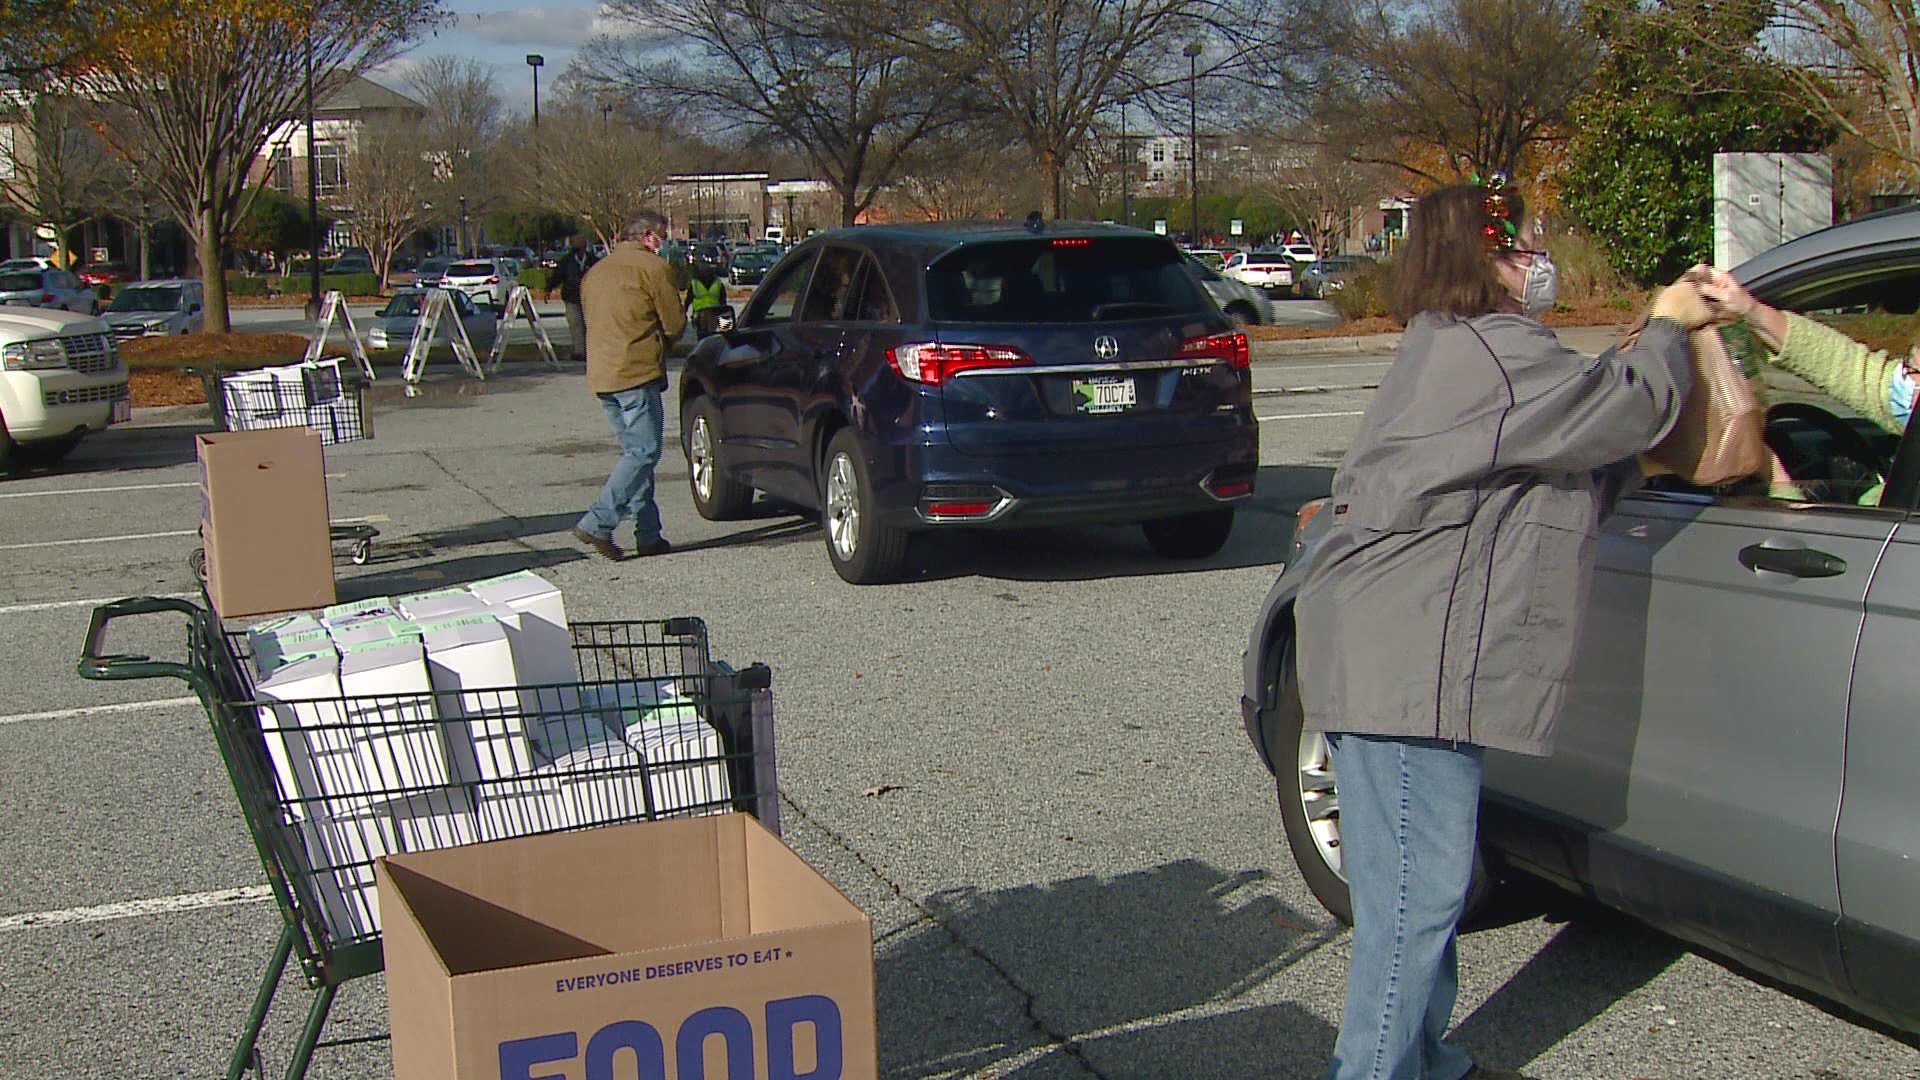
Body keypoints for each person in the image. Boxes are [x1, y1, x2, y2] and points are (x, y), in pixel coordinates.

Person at [1291, 179, 1716, 1080]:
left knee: (1412, 892)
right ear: (1480, 259)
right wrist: (1673, 323)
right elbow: (1627, 410)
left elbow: (1567, 446)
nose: (1539, 261)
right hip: (1410, 659)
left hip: (1392, 647)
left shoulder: (1456, 345)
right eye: (1524, 246)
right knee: (1418, 898)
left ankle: (1424, 1058)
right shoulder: (1491, 353)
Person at [572, 212, 687, 561]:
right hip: (635, 372)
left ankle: (649, 533)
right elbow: (674, 324)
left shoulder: (595, 272)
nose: (664, 243)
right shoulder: (653, 269)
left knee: (635, 457)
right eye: (662, 236)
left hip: (602, 374)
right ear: (648, 236)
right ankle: (598, 521)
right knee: (644, 452)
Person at [547, 233, 598, 363]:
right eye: (575, 242)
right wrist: (548, 288)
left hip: (590, 297)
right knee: (576, 323)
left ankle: (592, 351)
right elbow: (557, 276)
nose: (577, 245)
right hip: (571, 297)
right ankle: (580, 351)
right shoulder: (566, 261)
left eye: (580, 242)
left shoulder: (593, 261)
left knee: (590, 325)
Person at [684, 259, 727, 338]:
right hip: (700, 315)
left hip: (713, 314)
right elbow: (688, 300)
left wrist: (724, 318)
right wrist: (684, 313)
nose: (706, 273)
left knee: (712, 338)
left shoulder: (718, 283)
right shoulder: (695, 284)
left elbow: (723, 301)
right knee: (703, 337)